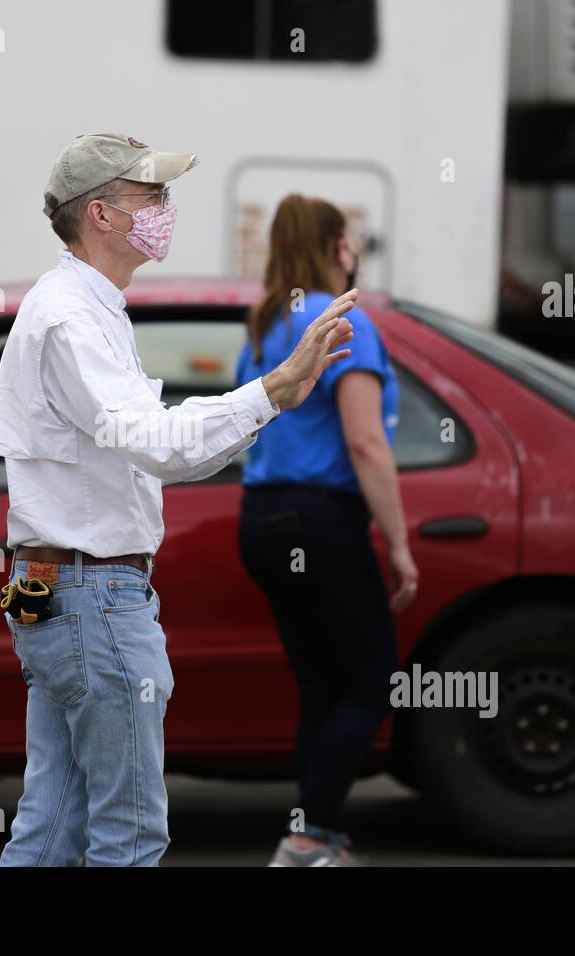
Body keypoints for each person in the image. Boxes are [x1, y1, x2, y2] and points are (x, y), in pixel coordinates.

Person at [0, 135, 358, 866]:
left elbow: (157, 448)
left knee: (52, 827)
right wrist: (271, 393)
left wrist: (268, 401)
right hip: (92, 596)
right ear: (100, 213)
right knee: (127, 835)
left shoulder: (82, 309)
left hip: (56, 590)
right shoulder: (73, 317)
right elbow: (155, 443)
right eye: (149, 195)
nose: (166, 210)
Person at [235, 193, 419, 867]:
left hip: (262, 519)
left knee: (322, 684)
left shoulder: (263, 324)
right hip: (321, 519)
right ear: (337, 249)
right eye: (353, 246)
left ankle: (321, 832)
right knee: (371, 681)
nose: (356, 259)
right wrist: (398, 542)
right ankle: (308, 839)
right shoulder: (345, 321)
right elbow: (366, 441)